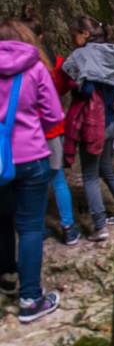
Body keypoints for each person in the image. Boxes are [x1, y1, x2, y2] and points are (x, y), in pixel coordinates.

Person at [0, 19, 64, 322]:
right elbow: (53, 115)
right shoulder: (35, 68)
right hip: (30, 157)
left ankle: (6, 278)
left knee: (1, 220)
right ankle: (29, 298)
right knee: (28, 228)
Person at [62, 16, 114, 242]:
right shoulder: (113, 54)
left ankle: (100, 225)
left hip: (93, 124)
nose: (73, 40)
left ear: (85, 34)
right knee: (105, 167)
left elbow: (83, 88)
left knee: (90, 176)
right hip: (111, 121)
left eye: (74, 35)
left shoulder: (82, 56)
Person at [19, 5, 80, 245]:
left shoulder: (11, 67)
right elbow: (63, 90)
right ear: (41, 37)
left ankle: (35, 226)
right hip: (52, 131)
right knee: (57, 180)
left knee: (30, 183)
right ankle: (68, 226)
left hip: (23, 133)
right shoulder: (55, 63)